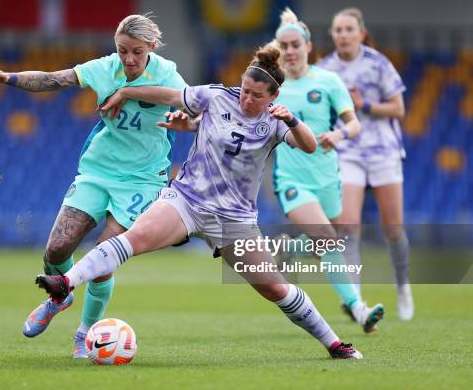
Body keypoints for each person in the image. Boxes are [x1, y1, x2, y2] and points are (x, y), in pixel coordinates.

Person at [35, 43, 364, 359]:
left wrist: (291, 119)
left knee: (276, 289)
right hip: (187, 201)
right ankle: (65, 282)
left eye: (256, 95)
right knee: (130, 240)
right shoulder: (218, 96)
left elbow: (308, 145)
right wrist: (126, 91)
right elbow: (167, 95)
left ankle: (334, 344)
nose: (247, 98)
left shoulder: (276, 123)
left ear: (274, 96)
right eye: (245, 89)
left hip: (234, 220)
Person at [0, 14, 187, 358]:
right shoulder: (106, 68)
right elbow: (53, 79)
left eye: (136, 52)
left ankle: (85, 334)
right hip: (98, 171)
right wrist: (9, 77)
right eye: (122, 51)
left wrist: (135, 96)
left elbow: (185, 102)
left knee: (104, 253)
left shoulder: (166, 73)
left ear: (151, 47)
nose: (128, 59)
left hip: (143, 179)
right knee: (56, 251)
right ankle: (62, 295)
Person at [270, 8, 384, 333]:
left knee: (334, 242)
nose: (290, 52)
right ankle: (359, 309)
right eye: (284, 46)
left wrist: (338, 134)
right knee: (329, 242)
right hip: (292, 181)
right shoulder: (273, 88)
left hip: (328, 178)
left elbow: (354, 124)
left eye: (295, 45)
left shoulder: (329, 81)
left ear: (307, 46)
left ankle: (289, 247)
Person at [318, 7, 413, 320]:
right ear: (333, 35)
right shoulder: (326, 70)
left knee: (393, 229)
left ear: (360, 33)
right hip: (348, 152)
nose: (343, 35)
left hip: (383, 150)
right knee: (347, 227)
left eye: (349, 29)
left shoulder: (377, 63)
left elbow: (399, 108)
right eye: (338, 30)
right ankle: (356, 301)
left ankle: (402, 286)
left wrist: (365, 105)